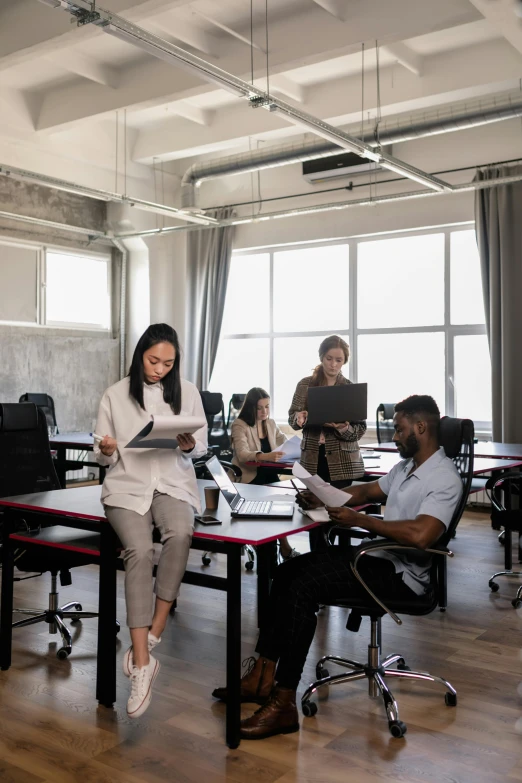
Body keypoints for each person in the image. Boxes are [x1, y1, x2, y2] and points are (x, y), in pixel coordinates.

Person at [212, 395, 463, 740]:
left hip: (404, 579)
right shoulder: (407, 468)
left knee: (303, 587)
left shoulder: (444, 477)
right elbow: (366, 491)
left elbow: (422, 535)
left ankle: (283, 703)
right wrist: (325, 495)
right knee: (287, 572)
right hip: (377, 560)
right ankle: (262, 675)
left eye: (400, 430)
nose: (394, 437)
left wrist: (359, 520)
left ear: (421, 428)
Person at [94, 323, 207, 719]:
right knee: (139, 550)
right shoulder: (115, 394)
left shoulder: (187, 392)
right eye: (153, 360)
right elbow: (103, 455)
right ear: (140, 353)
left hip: (173, 483)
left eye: (168, 363)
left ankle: (154, 630)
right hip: (127, 485)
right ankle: (143, 661)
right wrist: (107, 449)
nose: (159, 369)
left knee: (181, 533)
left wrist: (190, 444)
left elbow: (201, 444)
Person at [288, 334, 366, 550]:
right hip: (313, 460)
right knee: (315, 515)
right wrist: (299, 418)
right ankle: (318, 563)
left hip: (343, 462)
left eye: (338, 360)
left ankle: (342, 564)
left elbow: (359, 430)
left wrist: (342, 427)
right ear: (321, 357)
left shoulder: (350, 389)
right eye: (329, 358)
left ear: (344, 361)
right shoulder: (305, 385)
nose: (333, 364)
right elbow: (292, 419)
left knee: (341, 516)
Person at [231, 387, 298, 560]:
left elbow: (284, 442)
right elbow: (243, 455)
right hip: (250, 477)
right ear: (251, 407)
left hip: (269, 475)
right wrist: (266, 456)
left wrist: (300, 448)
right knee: (274, 501)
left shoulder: (270, 423)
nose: (264, 411)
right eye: (260, 408)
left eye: (267, 407)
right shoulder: (240, 425)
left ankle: (280, 548)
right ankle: (282, 548)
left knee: (281, 502)